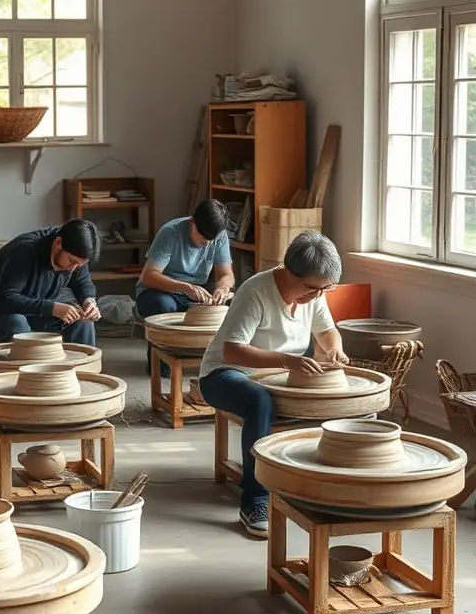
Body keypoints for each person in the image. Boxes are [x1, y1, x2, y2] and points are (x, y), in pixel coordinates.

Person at [199, 231, 347, 539]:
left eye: (324, 290)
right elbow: (232, 350)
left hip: (276, 376)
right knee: (260, 401)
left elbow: (328, 331)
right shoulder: (256, 291)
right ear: (288, 270)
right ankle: (255, 499)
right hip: (226, 373)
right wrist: (287, 361)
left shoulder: (313, 295)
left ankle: (330, 485)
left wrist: (334, 349)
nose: (316, 296)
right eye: (311, 288)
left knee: (347, 400)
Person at [0, 220, 101, 347]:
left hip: (30, 309)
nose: (73, 268)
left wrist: (89, 301)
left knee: (83, 322)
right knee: (17, 323)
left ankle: (81, 372)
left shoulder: (75, 248)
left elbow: (82, 281)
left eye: (80, 265)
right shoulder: (25, 251)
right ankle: (29, 372)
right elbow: (5, 299)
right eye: (71, 261)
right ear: (58, 244)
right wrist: (52, 308)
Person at [136, 199, 234, 371]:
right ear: (192, 222)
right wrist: (185, 287)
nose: (208, 243)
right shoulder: (171, 232)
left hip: (194, 294)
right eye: (203, 238)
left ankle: (216, 365)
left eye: (212, 239)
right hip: (160, 290)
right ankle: (162, 365)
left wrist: (222, 288)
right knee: (163, 305)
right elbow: (149, 276)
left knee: (236, 303)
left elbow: (226, 275)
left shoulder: (219, 236)